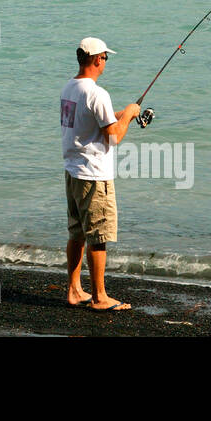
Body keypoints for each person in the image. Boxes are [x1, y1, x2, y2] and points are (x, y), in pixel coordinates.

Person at [59, 37, 141, 310]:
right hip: (94, 175)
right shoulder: (97, 93)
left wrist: (124, 114)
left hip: (73, 172)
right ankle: (99, 297)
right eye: (105, 57)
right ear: (97, 60)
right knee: (98, 236)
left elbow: (92, 119)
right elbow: (113, 136)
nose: (105, 62)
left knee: (77, 233)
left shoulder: (69, 87)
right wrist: (129, 114)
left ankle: (74, 290)